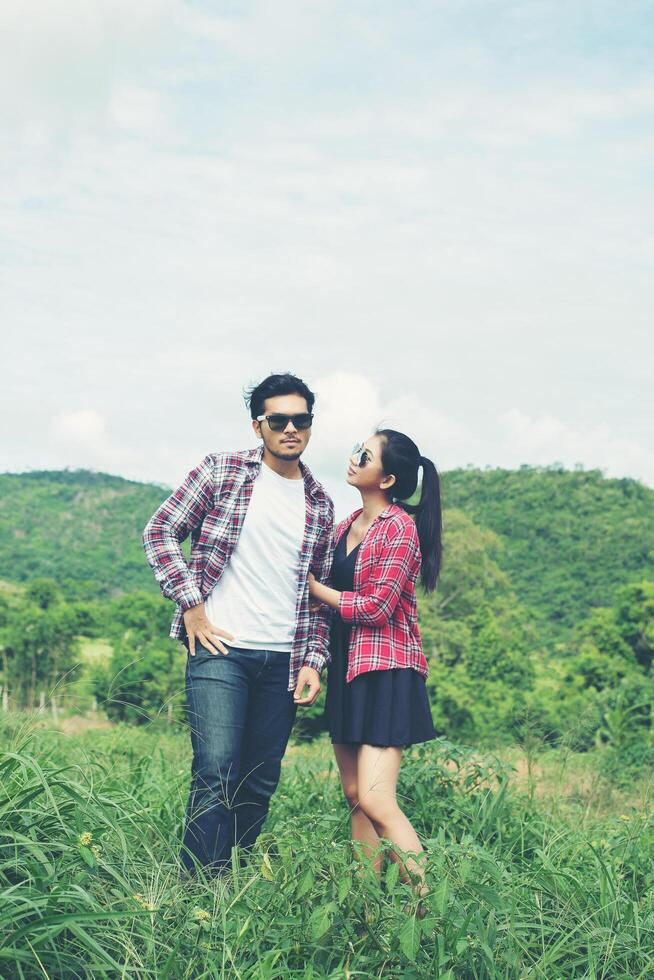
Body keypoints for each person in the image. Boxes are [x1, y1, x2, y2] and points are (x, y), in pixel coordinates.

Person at [143, 373, 334, 876]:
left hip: (284, 661)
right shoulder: (221, 471)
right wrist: (191, 605)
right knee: (215, 770)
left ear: (310, 425)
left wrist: (314, 659)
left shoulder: (320, 503)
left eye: (302, 419)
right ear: (259, 426)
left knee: (259, 779)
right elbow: (160, 530)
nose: (291, 428)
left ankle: (233, 877)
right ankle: (198, 891)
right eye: (279, 420)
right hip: (219, 648)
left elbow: (316, 596)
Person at [308, 429, 442, 898]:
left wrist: (314, 589)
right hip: (349, 671)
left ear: (386, 478)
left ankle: (426, 912)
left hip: (387, 672)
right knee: (354, 799)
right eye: (355, 448)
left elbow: (377, 606)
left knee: (376, 798)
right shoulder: (346, 526)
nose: (353, 457)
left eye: (364, 454)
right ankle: (367, 905)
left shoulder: (399, 529)